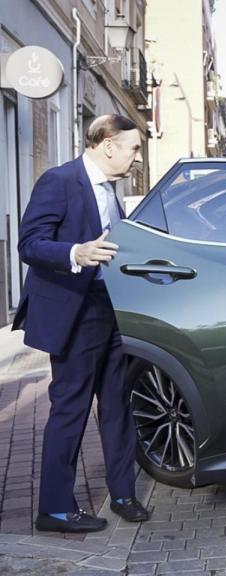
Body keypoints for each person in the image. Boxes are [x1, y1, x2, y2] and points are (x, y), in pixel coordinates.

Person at [13, 115, 151, 533]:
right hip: (74, 312)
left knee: (117, 403)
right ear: (108, 145)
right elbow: (30, 243)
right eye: (134, 148)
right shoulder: (59, 181)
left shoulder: (111, 190)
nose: (138, 158)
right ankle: (54, 509)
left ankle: (123, 493)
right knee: (70, 409)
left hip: (112, 310)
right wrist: (76, 251)